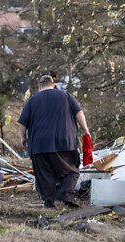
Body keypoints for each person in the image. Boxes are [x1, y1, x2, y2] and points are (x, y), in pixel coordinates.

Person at [18, 75, 90, 208]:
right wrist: (85, 130)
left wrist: (23, 137)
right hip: (65, 141)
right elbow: (79, 113)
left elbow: (22, 122)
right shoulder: (66, 96)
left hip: (39, 144)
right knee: (71, 171)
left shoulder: (32, 100)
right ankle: (66, 194)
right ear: (53, 84)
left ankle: (49, 202)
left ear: (40, 86)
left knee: (44, 174)